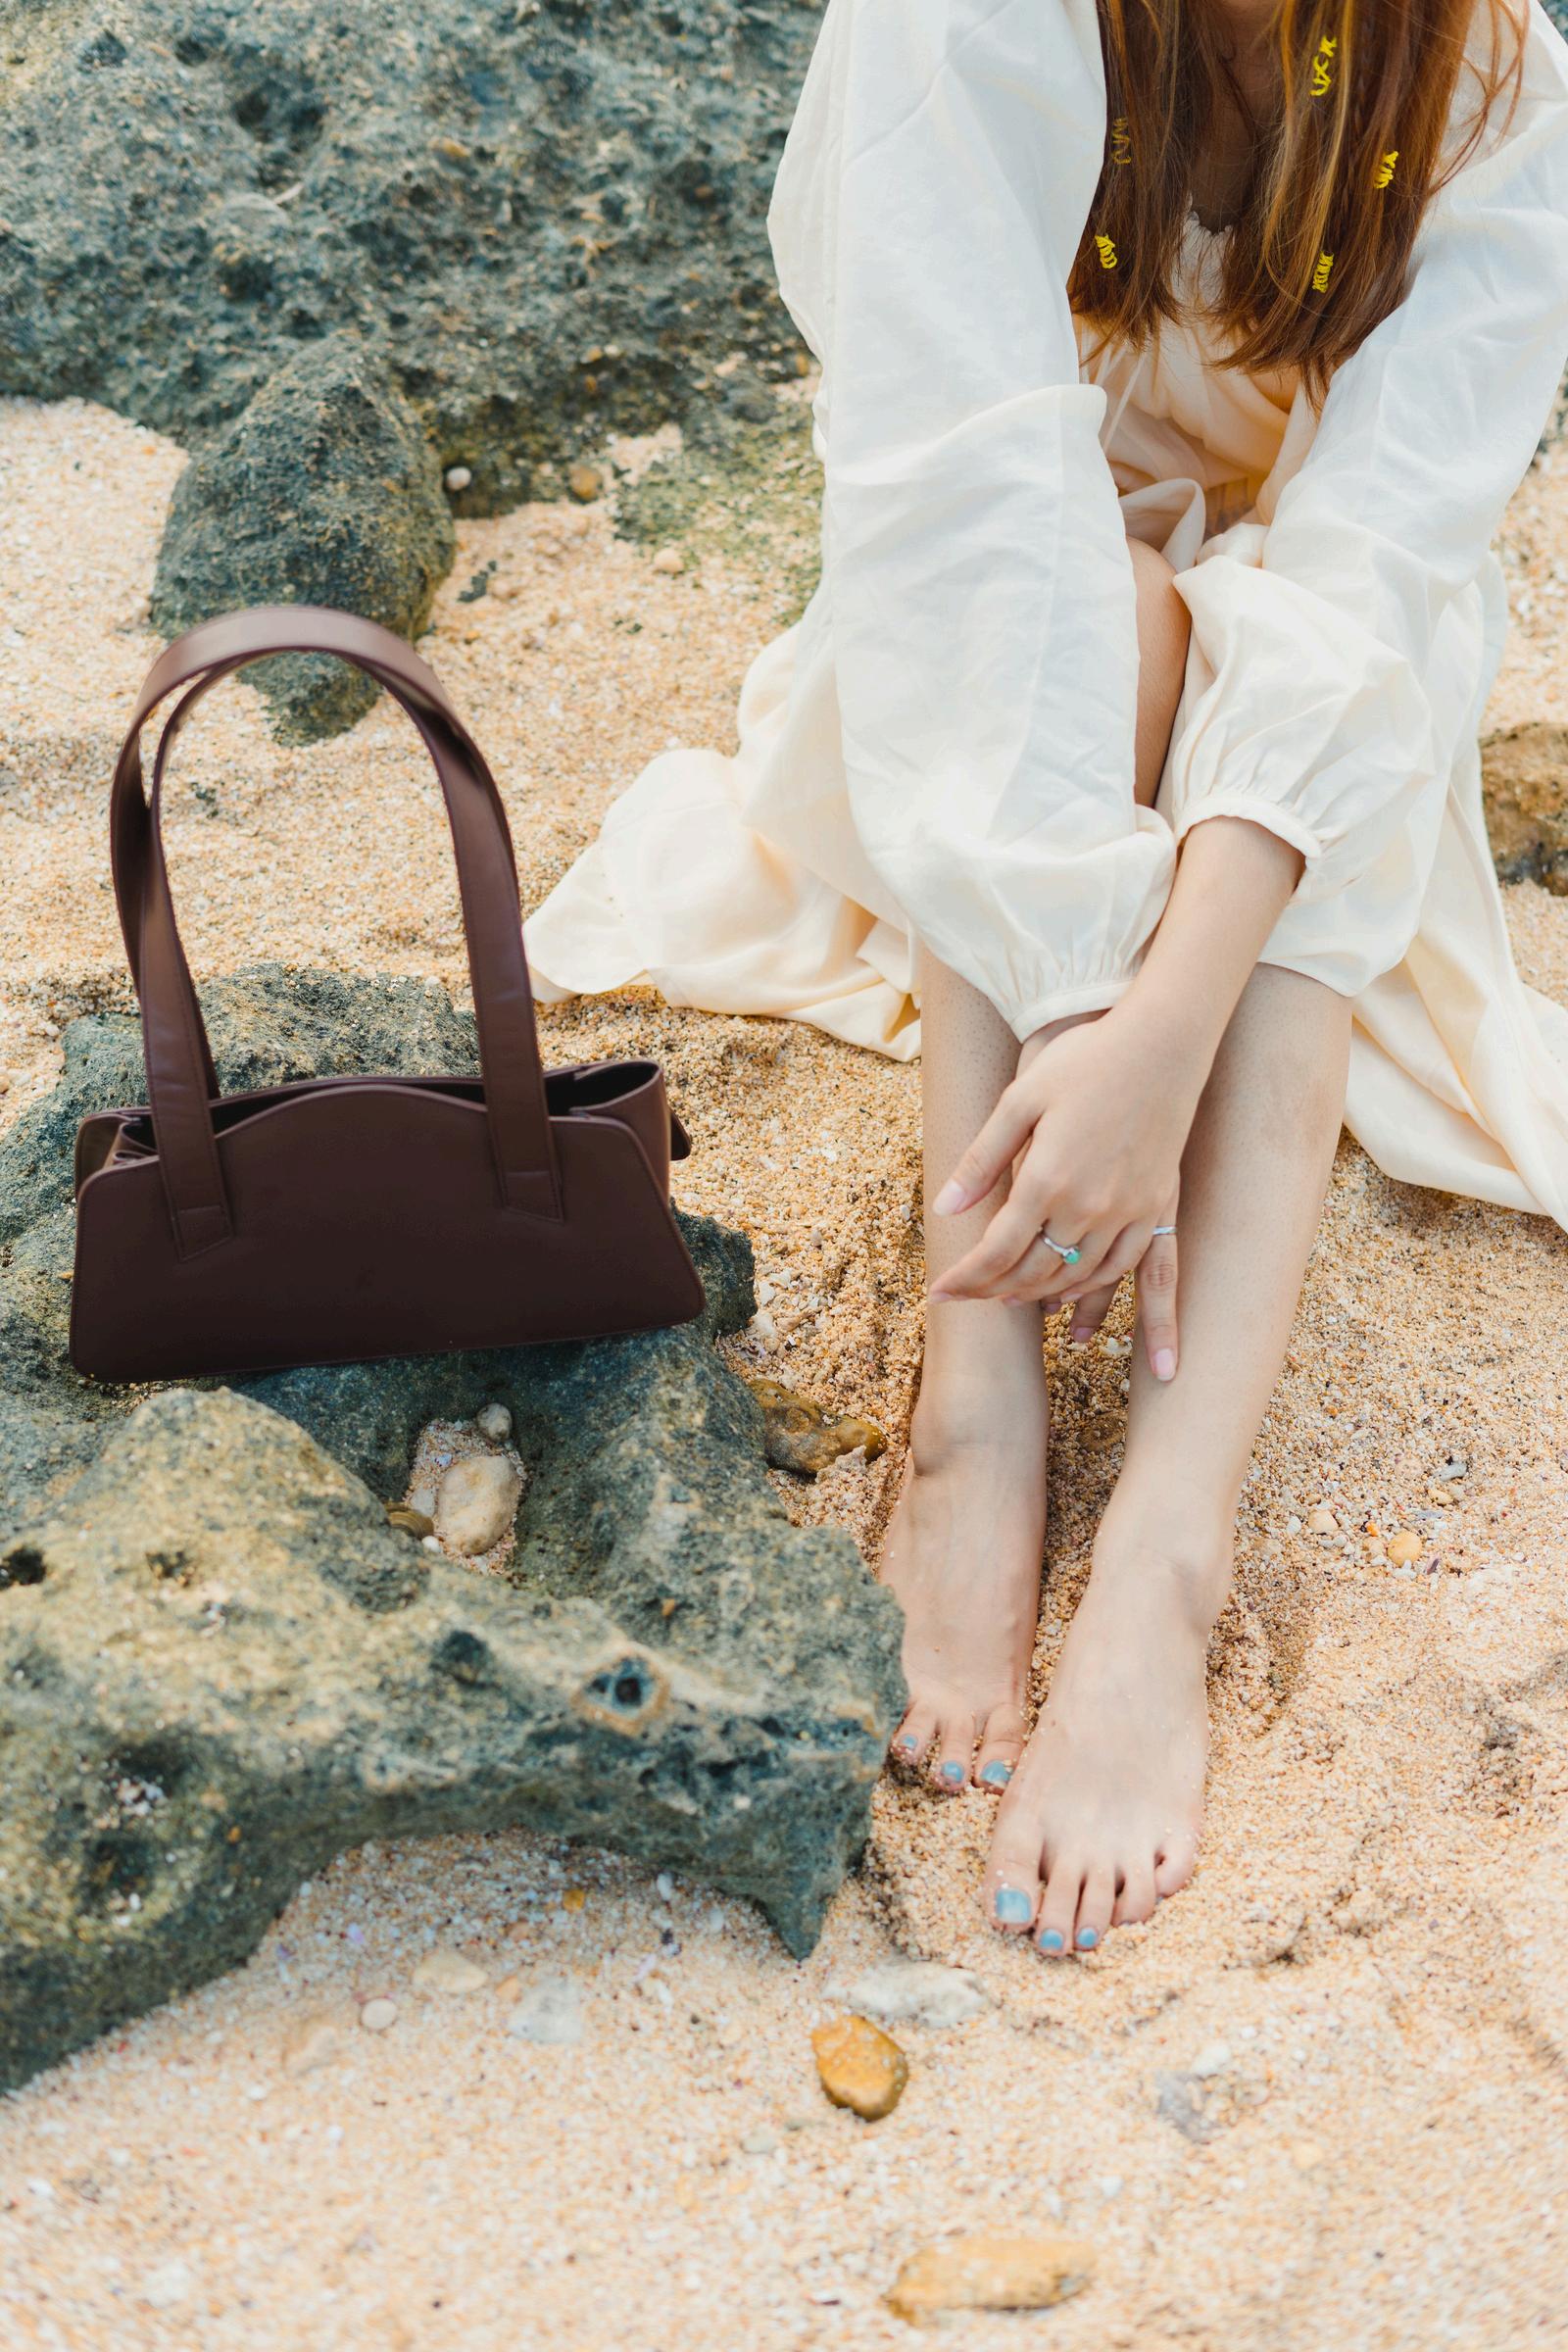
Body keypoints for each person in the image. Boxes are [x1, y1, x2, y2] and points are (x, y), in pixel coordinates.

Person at [525, 0, 1568, 1956]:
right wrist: (1081, 994)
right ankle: (980, 1408)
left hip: (1334, 657)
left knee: (1304, 752)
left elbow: (1370, 570)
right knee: (1081, 610)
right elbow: (961, 494)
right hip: (982, 600)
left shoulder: (1491, 73)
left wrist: (1160, 1028)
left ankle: (1169, 1540)